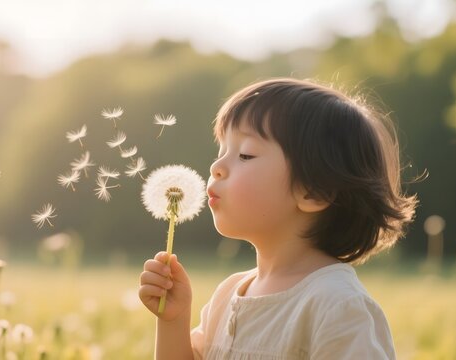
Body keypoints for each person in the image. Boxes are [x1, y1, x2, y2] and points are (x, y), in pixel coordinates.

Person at [139, 78, 417, 359]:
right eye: (221, 151)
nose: (217, 167)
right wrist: (174, 320)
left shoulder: (338, 306)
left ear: (313, 192)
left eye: (245, 154)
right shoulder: (228, 296)